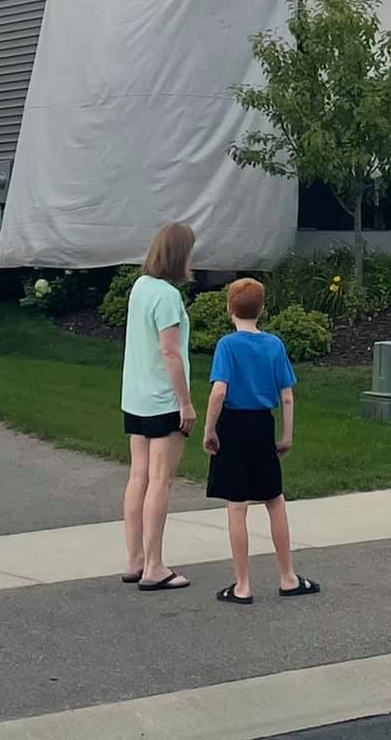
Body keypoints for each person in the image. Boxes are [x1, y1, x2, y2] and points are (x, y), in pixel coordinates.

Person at [203, 278, 319, 605]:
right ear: (263, 309)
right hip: (262, 425)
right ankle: (287, 576)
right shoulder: (274, 345)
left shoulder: (227, 345)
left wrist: (210, 430)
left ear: (229, 310)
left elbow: (219, 391)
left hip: (234, 426)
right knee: (274, 499)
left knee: (237, 506)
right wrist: (286, 434)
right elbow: (287, 395)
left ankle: (242, 584)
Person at [120, 221, 197, 593]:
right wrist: (185, 403)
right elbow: (170, 352)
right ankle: (154, 565)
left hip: (135, 397)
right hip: (163, 400)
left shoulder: (140, 287)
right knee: (160, 481)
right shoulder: (167, 296)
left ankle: (135, 558)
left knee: (139, 476)